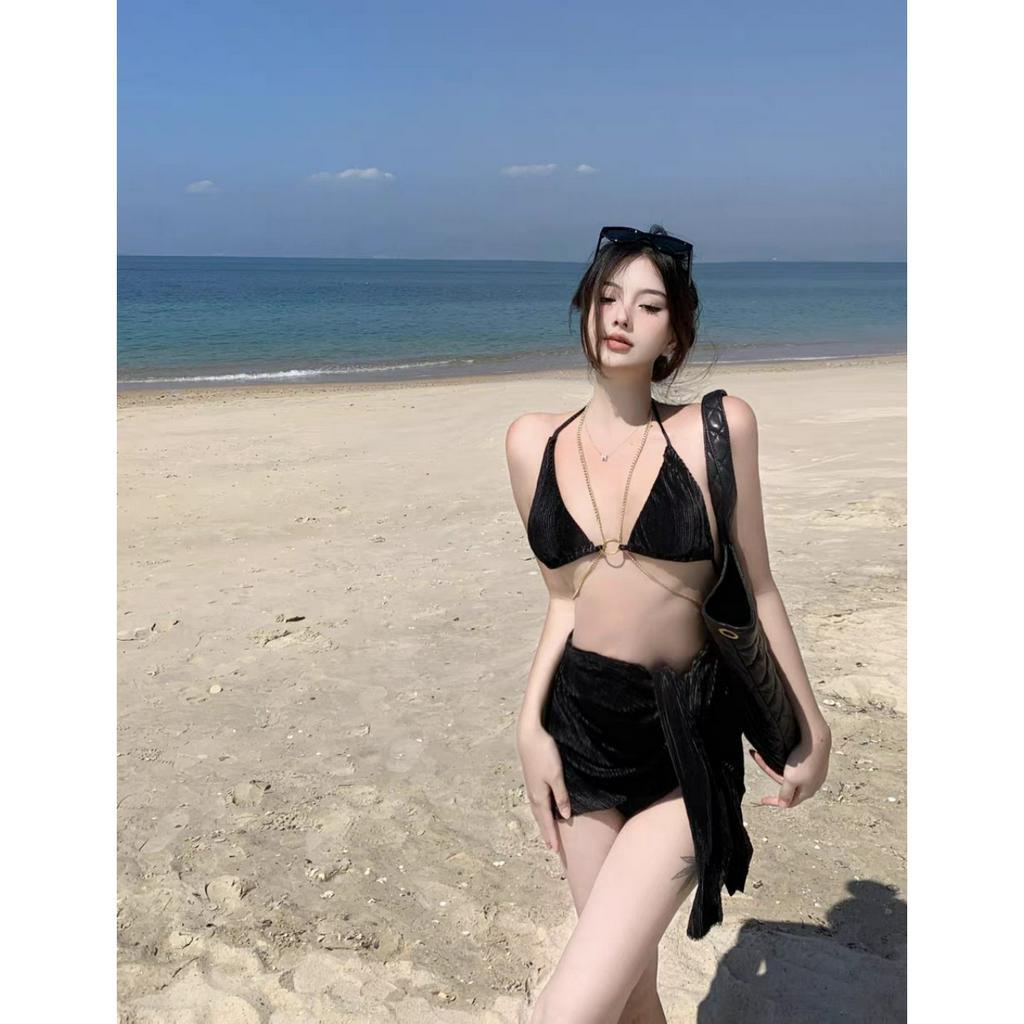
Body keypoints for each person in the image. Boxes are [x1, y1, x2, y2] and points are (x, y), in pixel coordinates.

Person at [504, 225, 832, 1023]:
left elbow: (759, 587)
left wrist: (812, 727)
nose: (622, 316)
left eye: (648, 305)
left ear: (674, 335)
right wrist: (529, 727)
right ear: (586, 308)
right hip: (580, 734)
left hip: (687, 741)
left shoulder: (718, 427)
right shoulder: (531, 443)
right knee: (631, 995)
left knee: (567, 1011)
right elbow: (563, 601)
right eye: (608, 297)